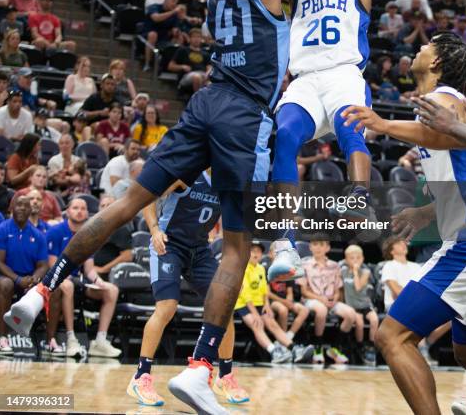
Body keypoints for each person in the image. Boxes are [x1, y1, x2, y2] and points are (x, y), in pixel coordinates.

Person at [5, 0, 315, 415]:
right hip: (244, 115)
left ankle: (43, 288)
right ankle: (200, 370)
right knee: (240, 247)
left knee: (125, 204)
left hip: (203, 104)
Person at [341, 32, 466, 415]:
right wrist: (425, 213)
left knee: (392, 335)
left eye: (429, 45)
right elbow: (461, 168)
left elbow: (437, 135)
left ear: (438, 61)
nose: (419, 48)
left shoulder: (443, 101)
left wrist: (381, 123)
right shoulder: (443, 106)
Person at [267, 0, 386, 282]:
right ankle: (284, 239)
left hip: (342, 75)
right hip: (302, 80)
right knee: (283, 138)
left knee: (352, 127)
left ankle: (357, 199)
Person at [127, 172, 249, 407]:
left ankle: (224, 377)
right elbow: (149, 198)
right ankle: (140, 377)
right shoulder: (188, 174)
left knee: (224, 304)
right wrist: (154, 231)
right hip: (169, 244)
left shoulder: (228, 182)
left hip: (199, 250)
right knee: (167, 307)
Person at [46, 198, 121, 358]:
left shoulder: (89, 233)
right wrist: (63, 280)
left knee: (112, 290)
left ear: (88, 213)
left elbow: (89, 269)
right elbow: (52, 266)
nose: (79, 211)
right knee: (68, 286)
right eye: (75, 208)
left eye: (83, 208)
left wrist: (100, 282)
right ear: (67, 211)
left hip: (78, 281)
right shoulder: (55, 231)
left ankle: (100, 341)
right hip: (58, 280)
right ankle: (71, 338)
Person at [234, 241, 313, 365]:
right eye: (252, 251)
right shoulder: (242, 268)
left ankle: (294, 349)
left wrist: (266, 305)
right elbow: (245, 294)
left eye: (258, 251)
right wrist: (255, 314)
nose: (255, 254)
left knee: (272, 324)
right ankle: (274, 352)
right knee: (257, 324)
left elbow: (264, 289)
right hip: (244, 305)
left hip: (260, 304)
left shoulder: (260, 268)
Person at [0, 196, 48, 354]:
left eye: (25, 206)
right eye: (18, 205)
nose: (21, 208)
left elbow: (43, 265)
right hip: (4, 276)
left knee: (55, 288)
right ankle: (2, 338)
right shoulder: (2, 229)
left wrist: (34, 279)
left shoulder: (38, 235)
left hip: (28, 279)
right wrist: (18, 279)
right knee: (7, 285)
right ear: (11, 208)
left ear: (30, 210)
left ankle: (51, 341)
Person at [297, 239, 357, 364]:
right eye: (315, 244)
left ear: (328, 248)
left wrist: (335, 298)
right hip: (312, 300)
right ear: (310, 247)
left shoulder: (335, 265)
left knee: (351, 314)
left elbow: (338, 289)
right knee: (321, 309)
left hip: (330, 300)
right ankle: (318, 348)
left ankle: (334, 348)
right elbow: (304, 291)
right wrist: (321, 299)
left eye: (321, 245)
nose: (318, 248)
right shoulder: (304, 265)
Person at [267, 243, 311, 349]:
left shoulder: (286, 270)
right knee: (283, 310)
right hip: (273, 301)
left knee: (304, 310)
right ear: (270, 254)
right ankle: (282, 341)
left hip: (286, 300)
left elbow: (290, 291)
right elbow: (268, 293)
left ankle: (288, 336)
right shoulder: (267, 269)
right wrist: (284, 302)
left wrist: (289, 299)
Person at [341, 244, 378, 365]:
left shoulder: (366, 271)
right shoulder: (343, 271)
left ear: (362, 259)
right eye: (352, 258)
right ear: (346, 260)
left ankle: (371, 346)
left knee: (374, 320)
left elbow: (358, 287)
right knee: (360, 323)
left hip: (365, 304)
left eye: (358, 258)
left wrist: (356, 271)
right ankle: (360, 346)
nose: (355, 260)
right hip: (352, 306)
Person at [93, 196, 133, 281]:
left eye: (109, 205)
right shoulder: (93, 227)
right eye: (102, 206)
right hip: (91, 272)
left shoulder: (120, 228)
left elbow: (127, 256)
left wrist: (103, 269)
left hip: (109, 275)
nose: (105, 208)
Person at [168, 28, 211, 93]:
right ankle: (197, 101)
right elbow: (170, 66)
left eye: (198, 37)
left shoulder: (206, 53)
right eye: (194, 37)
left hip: (203, 75)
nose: (196, 39)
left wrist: (207, 74)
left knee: (212, 85)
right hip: (187, 76)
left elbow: (209, 68)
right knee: (196, 77)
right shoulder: (183, 50)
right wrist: (182, 67)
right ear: (190, 38)